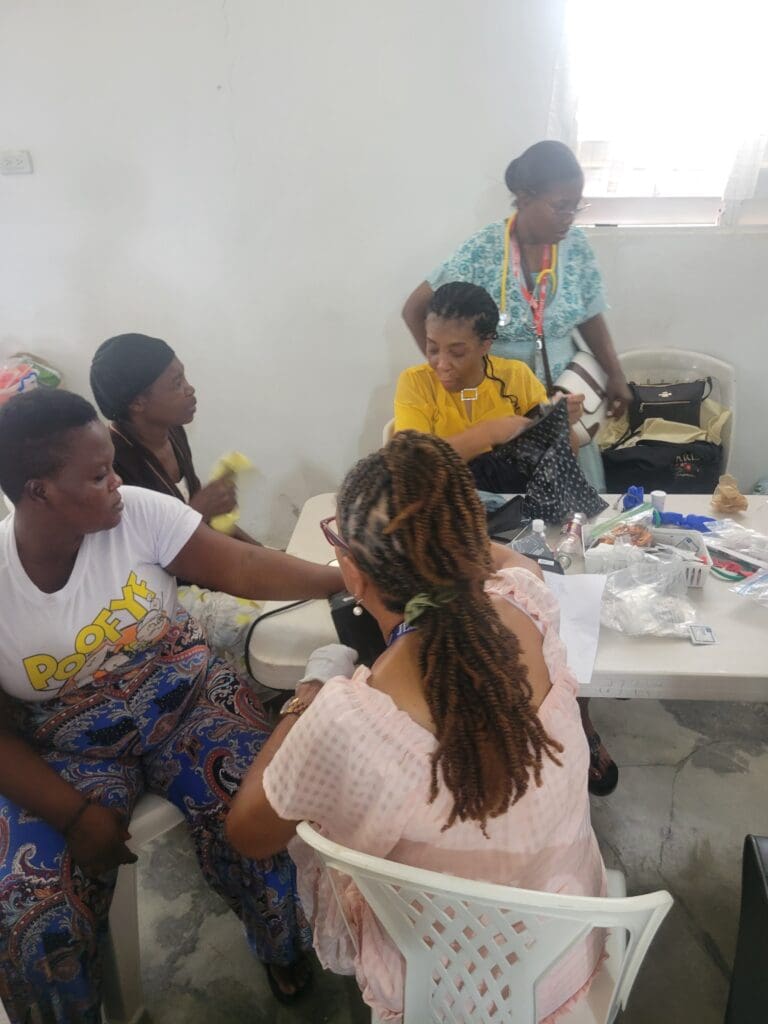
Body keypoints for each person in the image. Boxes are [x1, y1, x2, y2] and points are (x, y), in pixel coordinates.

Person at [227, 430, 608, 1024]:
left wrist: (307, 695)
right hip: (560, 957)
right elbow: (505, 562)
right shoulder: (529, 600)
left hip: (442, 989)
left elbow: (249, 834)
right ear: (470, 542)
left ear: (352, 574)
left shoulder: (351, 718)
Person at [0, 388, 343, 1023]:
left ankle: (280, 944)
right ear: (39, 491)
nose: (116, 485)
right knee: (32, 902)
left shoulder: (135, 513)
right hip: (67, 744)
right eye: (99, 475)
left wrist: (344, 574)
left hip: (185, 698)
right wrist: (74, 814)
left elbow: (239, 567)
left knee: (262, 809)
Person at [402, 139, 631, 490]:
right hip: (501, 400)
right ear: (525, 198)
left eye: (575, 207)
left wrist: (615, 373)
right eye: (560, 207)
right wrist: (448, 369)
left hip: (561, 398)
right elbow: (415, 308)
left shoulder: (576, 246)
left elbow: (590, 314)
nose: (569, 218)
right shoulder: (484, 249)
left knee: (566, 498)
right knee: (507, 494)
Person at [90, 333, 262, 671]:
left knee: (282, 586)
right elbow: (142, 562)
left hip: (198, 567)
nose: (190, 389)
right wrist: (198, 510)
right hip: (162, 596)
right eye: (176, 382)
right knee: (264, 622)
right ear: (138, 402)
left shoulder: (171, 432)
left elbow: (204, 524)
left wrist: (265, 553)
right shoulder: (115, 464)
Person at [395, 280, 585, 492]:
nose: (441, 364)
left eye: (457, 352)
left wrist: (561, 423)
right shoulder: (416, 383)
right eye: (432, 349)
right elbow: (410, 467)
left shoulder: (516, 377)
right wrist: (488, 433)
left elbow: (564, 459)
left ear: (485, 345)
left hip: (514, 511)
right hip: (442, 512)